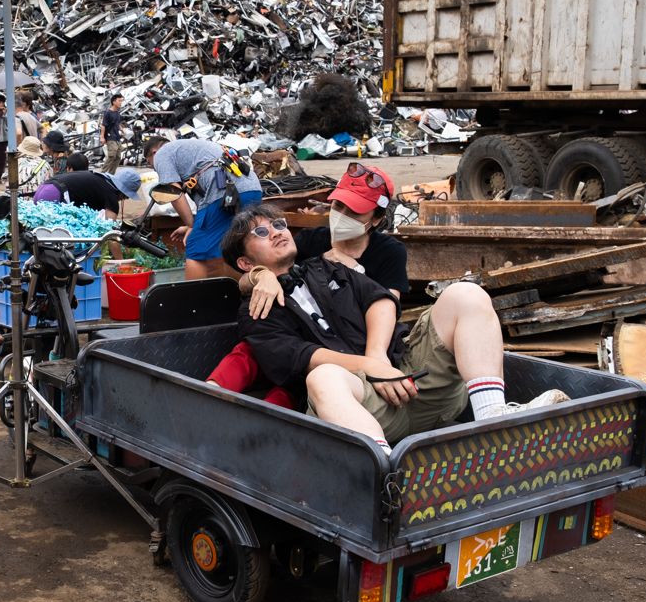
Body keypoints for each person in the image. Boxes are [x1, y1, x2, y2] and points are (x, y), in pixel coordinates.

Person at [223, 206, 565, 452]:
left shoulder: (324, 267)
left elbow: (381, 300)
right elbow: (303, 358)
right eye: (262, 232)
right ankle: (385, 469)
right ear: (245, 263)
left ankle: (491, 415)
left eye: (279, 224)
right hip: (359, 408)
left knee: (466, 294)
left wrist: (379, 360)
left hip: (411, 380)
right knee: (322, 377)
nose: (278, 231)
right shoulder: (256, 312)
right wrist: (371, 370)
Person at [213, 162, 407, 391]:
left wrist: (375, 360)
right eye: (338, 205)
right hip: (311, 334)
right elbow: (250, 272)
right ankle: (212, 393)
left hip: (360, 334)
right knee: (261, 345)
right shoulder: (311, 242)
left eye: (354, 211)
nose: (342, 215)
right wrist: (261, 275)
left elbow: (384, 305)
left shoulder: (387, 252)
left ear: (375, 219)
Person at [142, 135, 263, 280]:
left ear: (154, 153)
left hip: (226, 193)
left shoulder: (162, 154)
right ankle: (242, 294)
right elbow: (204, 206)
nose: (155, 168)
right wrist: (193, 226)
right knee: (234, 248)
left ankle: (194, 300)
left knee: (195, 248)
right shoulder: (191, 151)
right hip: (252, 189)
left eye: (151, 164)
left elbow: (173, 193)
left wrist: (191, 226)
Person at [33, 167, 143, 219]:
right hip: (55, 194)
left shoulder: (102, 180)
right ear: (123, 192)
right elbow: (110, 233)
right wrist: (120, 259)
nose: (125, 199)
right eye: (126, 196)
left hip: (44, 188)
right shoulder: (111, 195)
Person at [101, 93, 124, 174]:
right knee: (112, 156)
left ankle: (111, 174)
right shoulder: (108, 113)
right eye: (119, 101)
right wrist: (102, 137)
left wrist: (123, 130)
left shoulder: (117, 113)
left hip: (117, 137)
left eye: (121, 101)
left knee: (118, 157)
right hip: (110, 137)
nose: (121, 102)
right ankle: (102, 173)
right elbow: (103, 125)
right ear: (114, 102)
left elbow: (118, 124)